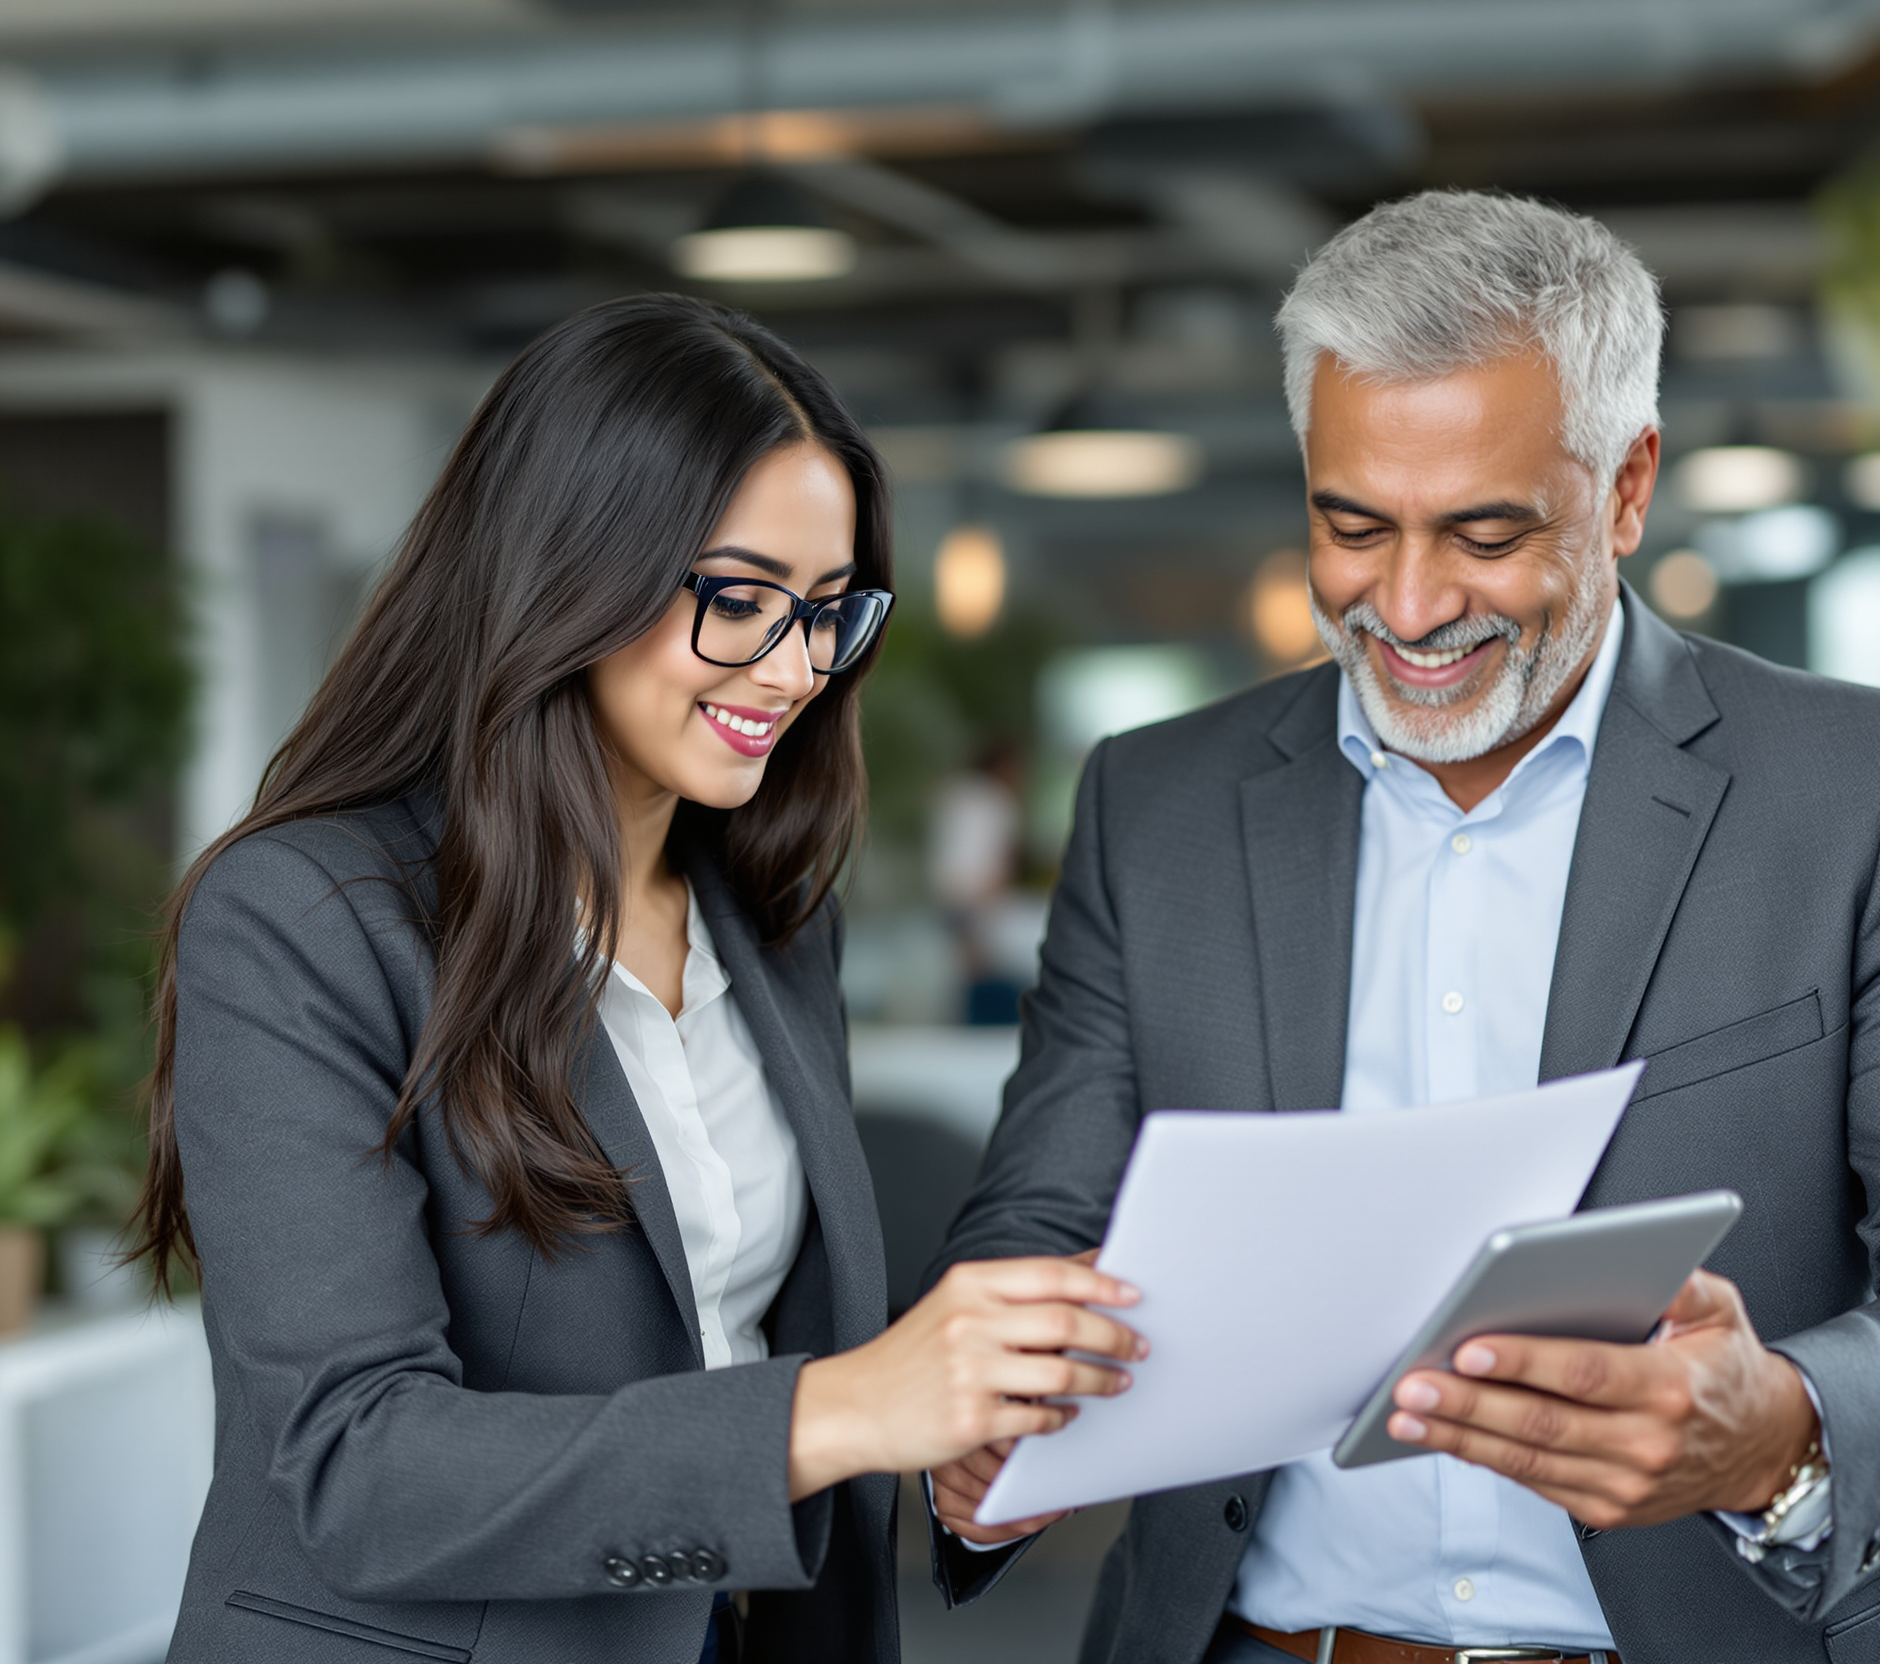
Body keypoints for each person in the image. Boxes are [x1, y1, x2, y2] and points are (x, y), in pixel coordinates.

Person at [920, 193, 1880, 1664]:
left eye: (1485, 532)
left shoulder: (1870, 790)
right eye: (1351, 525)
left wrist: (1783, 1426)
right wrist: (990, 1414)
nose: (1409, 603)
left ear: (1627, 489)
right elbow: (1041, 1221)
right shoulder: (1154, 806)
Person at [130, 295, 1143, 1664]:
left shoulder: (776, 923)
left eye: (827, 611)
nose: (794, 668)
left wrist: (948, 1448)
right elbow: (359, 1465)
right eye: (739, 600)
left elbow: (742, 1349)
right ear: (571, 573)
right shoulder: (304, 918)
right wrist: (848, 1407)